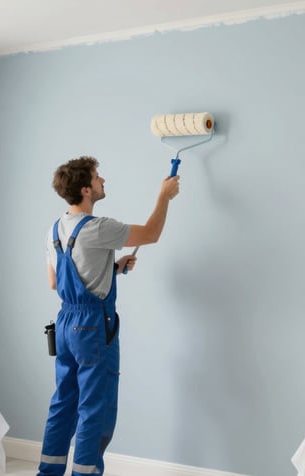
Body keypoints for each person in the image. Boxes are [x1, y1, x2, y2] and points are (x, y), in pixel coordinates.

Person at [38, 156, 179, 476]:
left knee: (64, 404)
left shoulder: (54, 230)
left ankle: (48, 473)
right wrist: (163, 196)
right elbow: (151, 233)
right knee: (94, 408)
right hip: (91, 327)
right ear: (86, 190)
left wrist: (113, 268)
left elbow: (55, 282)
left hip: (64, 326)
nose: (104, 181)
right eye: (98, 178)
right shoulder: (99, 228)